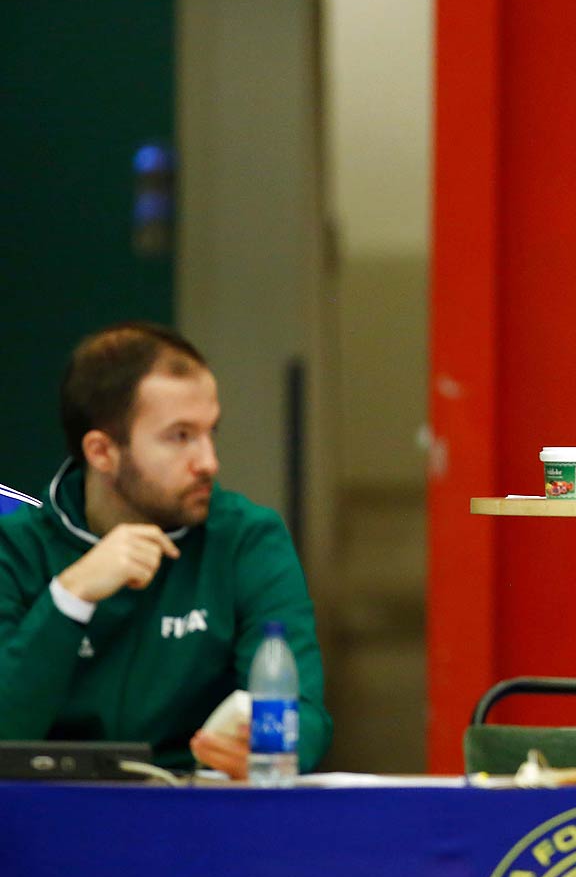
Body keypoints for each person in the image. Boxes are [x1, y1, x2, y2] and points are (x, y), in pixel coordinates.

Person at [0, 323, 331, 777]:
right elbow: (6, 730)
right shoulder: (17, 548)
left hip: (198, 810)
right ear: (102, 452)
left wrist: (269, 745)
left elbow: (305, 714)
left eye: (210, 432)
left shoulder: (247, 538)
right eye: (180, 436)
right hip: (48, 817)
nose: (208, 461)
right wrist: (69, 597)